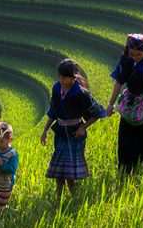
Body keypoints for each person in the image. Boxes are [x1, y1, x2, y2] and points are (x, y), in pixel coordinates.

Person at [41, 58, 106, 198]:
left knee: (70, 172)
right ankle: (58, 196)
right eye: (60, 77)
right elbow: (53, 110)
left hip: (75, 134)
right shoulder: (56, 88)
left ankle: (74, 196)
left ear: (73, 77)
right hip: (60, 133)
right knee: (59, 170)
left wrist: (83, 127)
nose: (62, 80)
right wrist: (45, 130)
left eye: (65, 78)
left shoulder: (81, 93)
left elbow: (96, 113)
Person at [106, 34, 143, 173]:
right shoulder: (125, 59)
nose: (134, 57)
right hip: (129, 107)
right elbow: (119, 82)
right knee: (125, 145)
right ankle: (125, 174)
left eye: (138, 54)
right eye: (132, 53)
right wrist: (110, 104)